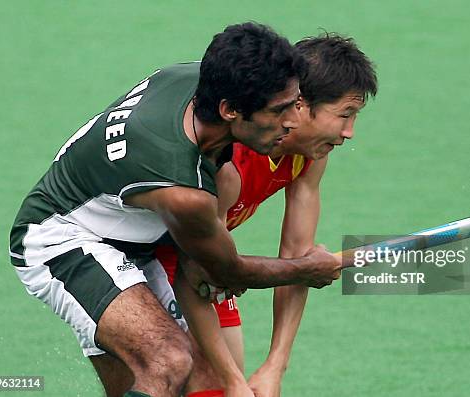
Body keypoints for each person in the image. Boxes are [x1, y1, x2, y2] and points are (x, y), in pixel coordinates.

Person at [8, 22, 342, 397]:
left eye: (295, 105)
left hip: (135, 237)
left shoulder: (197, 79)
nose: (294, 121)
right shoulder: (184, 191)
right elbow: (225, 270)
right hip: (62, 239)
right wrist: (307, 269)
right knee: (168, 360)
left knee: (205, 382)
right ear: (230, 110)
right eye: (280, 110)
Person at [160, 33, 377, 397]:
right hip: (145, 254)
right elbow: (190, 273)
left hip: (204, 259)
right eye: (344, 115)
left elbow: (298, 259)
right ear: (300, 105)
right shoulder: (230, 162)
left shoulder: (310, 156)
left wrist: (275, 365)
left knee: (221, 384)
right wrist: (232, 381)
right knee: (192, 377)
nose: (349, 132)